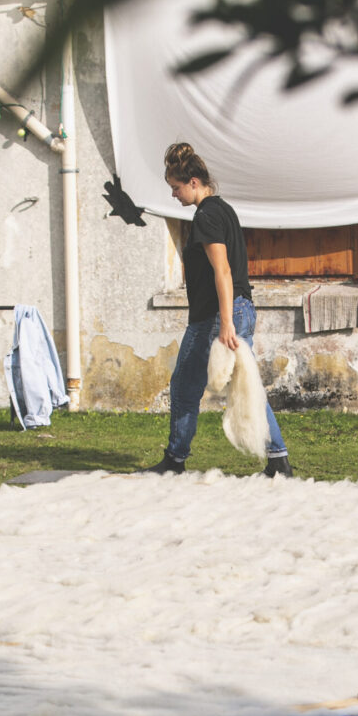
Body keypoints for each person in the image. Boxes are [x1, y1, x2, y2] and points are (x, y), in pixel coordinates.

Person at [142, 143, 293, 477]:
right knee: (247, 383)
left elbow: (222, 271)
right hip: (239, 309)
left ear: (194, 182)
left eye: (176, 188)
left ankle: (174, 461)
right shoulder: (224, 210)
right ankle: (279, 460)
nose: (174, 195)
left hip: (216, 316)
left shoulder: (207, 215)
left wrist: (225, 323)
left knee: (184, 386)